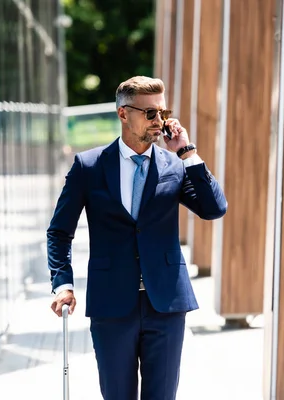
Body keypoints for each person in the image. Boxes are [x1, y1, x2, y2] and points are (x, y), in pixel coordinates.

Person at [46, 76, 227, 399]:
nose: (159, 121)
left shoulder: (175, 165)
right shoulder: (89, 167)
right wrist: (64, 284)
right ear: (123, 114)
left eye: (163, 112)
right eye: (151, 114)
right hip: (112, 305)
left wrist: (187, 152)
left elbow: (214, 208)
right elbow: (60, 232)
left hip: (166, 304)